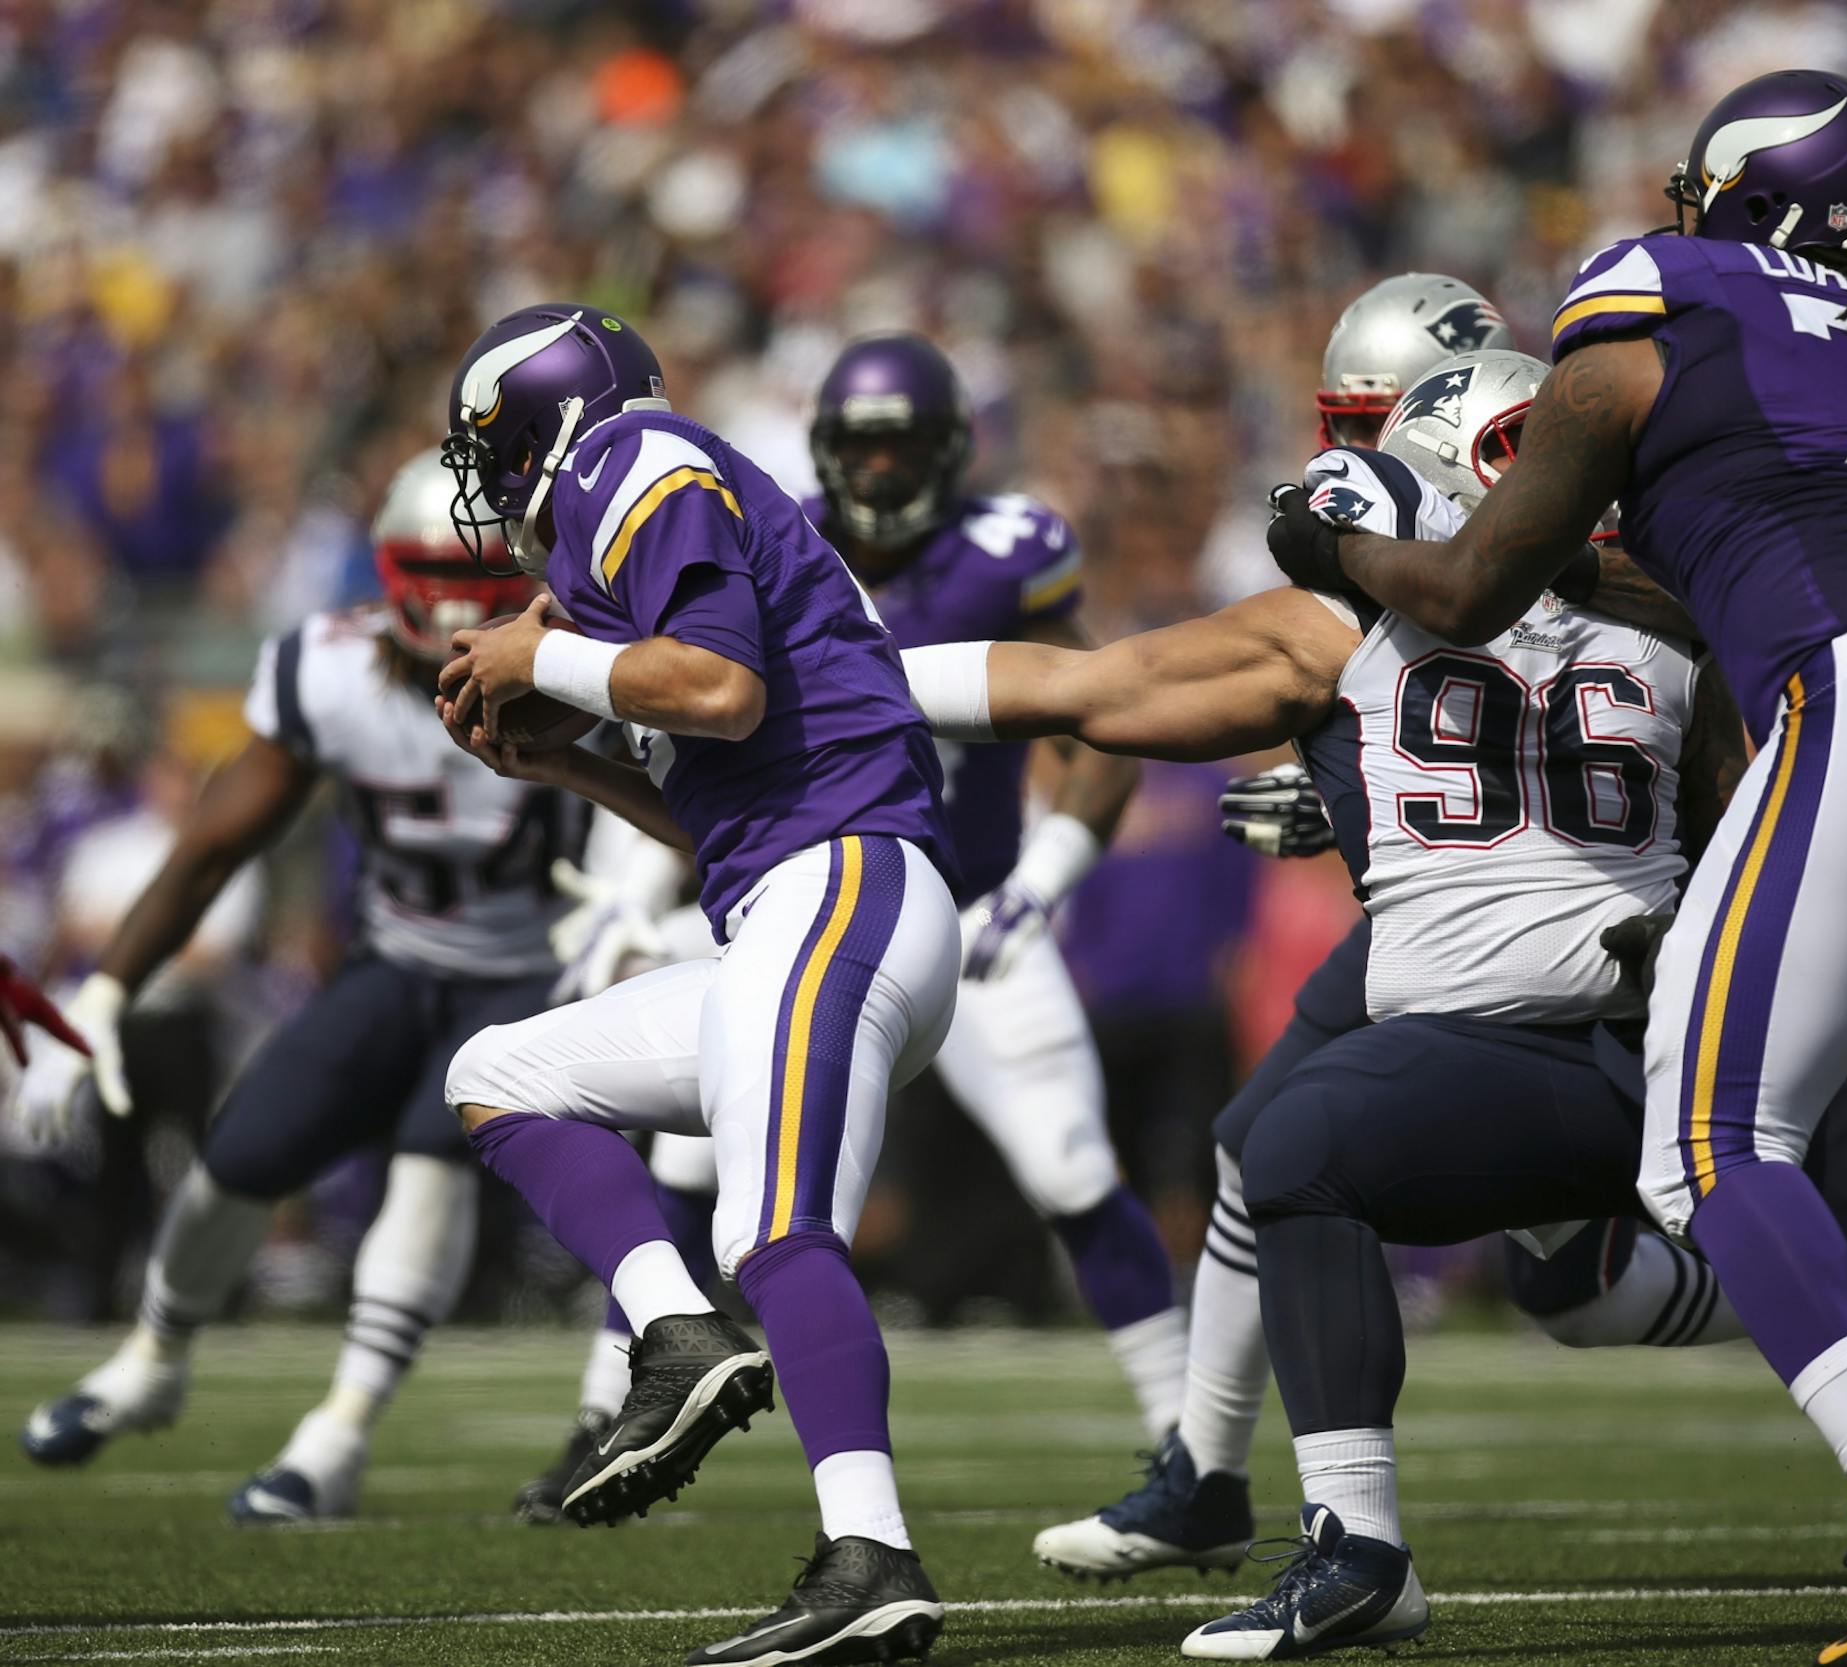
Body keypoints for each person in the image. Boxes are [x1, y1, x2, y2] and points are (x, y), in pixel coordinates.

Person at [903, 347, 1847, 1661]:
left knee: (1293, 1150)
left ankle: (1358, 1542)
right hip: (1703, 1037)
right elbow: (1750, 814)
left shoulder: (1345, 622)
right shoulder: (1684, 615)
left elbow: (1084, 691)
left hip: (1499, 1065)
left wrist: (851, 681)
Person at [1263, 69, 1847, 1663]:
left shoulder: (1665, 294)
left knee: (1710, 1144)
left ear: (1745, 201)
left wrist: (1329, 543)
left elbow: (1471, 587)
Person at [1036, 275, 1738, 1587]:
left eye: (1375, 420)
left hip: (1608, 919)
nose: (1350, 455)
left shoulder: (1590, 535)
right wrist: (1364, 779)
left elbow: (1572, 694)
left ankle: (1828, 1312)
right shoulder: (1422, 528)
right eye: (1344, 418)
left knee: (1573, 1282)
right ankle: (1206, 1474)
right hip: (1467, 907)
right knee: (1270, 1146)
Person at [516, 335, 1184, 1518]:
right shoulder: (752, 524)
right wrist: (626, 874)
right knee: (691, 1150)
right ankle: (606, 1403)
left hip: (961, 905)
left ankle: (1193, 1449)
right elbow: (692, 737)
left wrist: (1050, 873)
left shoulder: (1001, 550)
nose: (877, 471)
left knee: (1064, 1163)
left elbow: (1100, 713)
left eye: (898, 445)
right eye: (857, 445)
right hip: (815, 883)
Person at [436, 303, 956, 1667]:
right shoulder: (635, 521)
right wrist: (567, 765)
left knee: (775, 1226)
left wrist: (531, 653)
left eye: (494, 449)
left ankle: (872, 1554)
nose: (491, 489)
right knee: (498, 1071)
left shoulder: (636, 456)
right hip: (789, 896)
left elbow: (718, 691)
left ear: (552, 415)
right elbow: (721, 816)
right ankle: (673, 1331)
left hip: (848, 882)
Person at [14, 449, 577, 1522]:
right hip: (397, 959)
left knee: (429, 1168)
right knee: (238, 1154)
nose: (458, 605)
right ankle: (151, 1357)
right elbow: (210, 850)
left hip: (529, 973)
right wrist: (97, 1000)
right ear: (388, 575)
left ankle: (339, 1435)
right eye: (434, 575)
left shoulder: (589, 665)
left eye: (480, 582)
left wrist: (646, 899)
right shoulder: (327, 668)